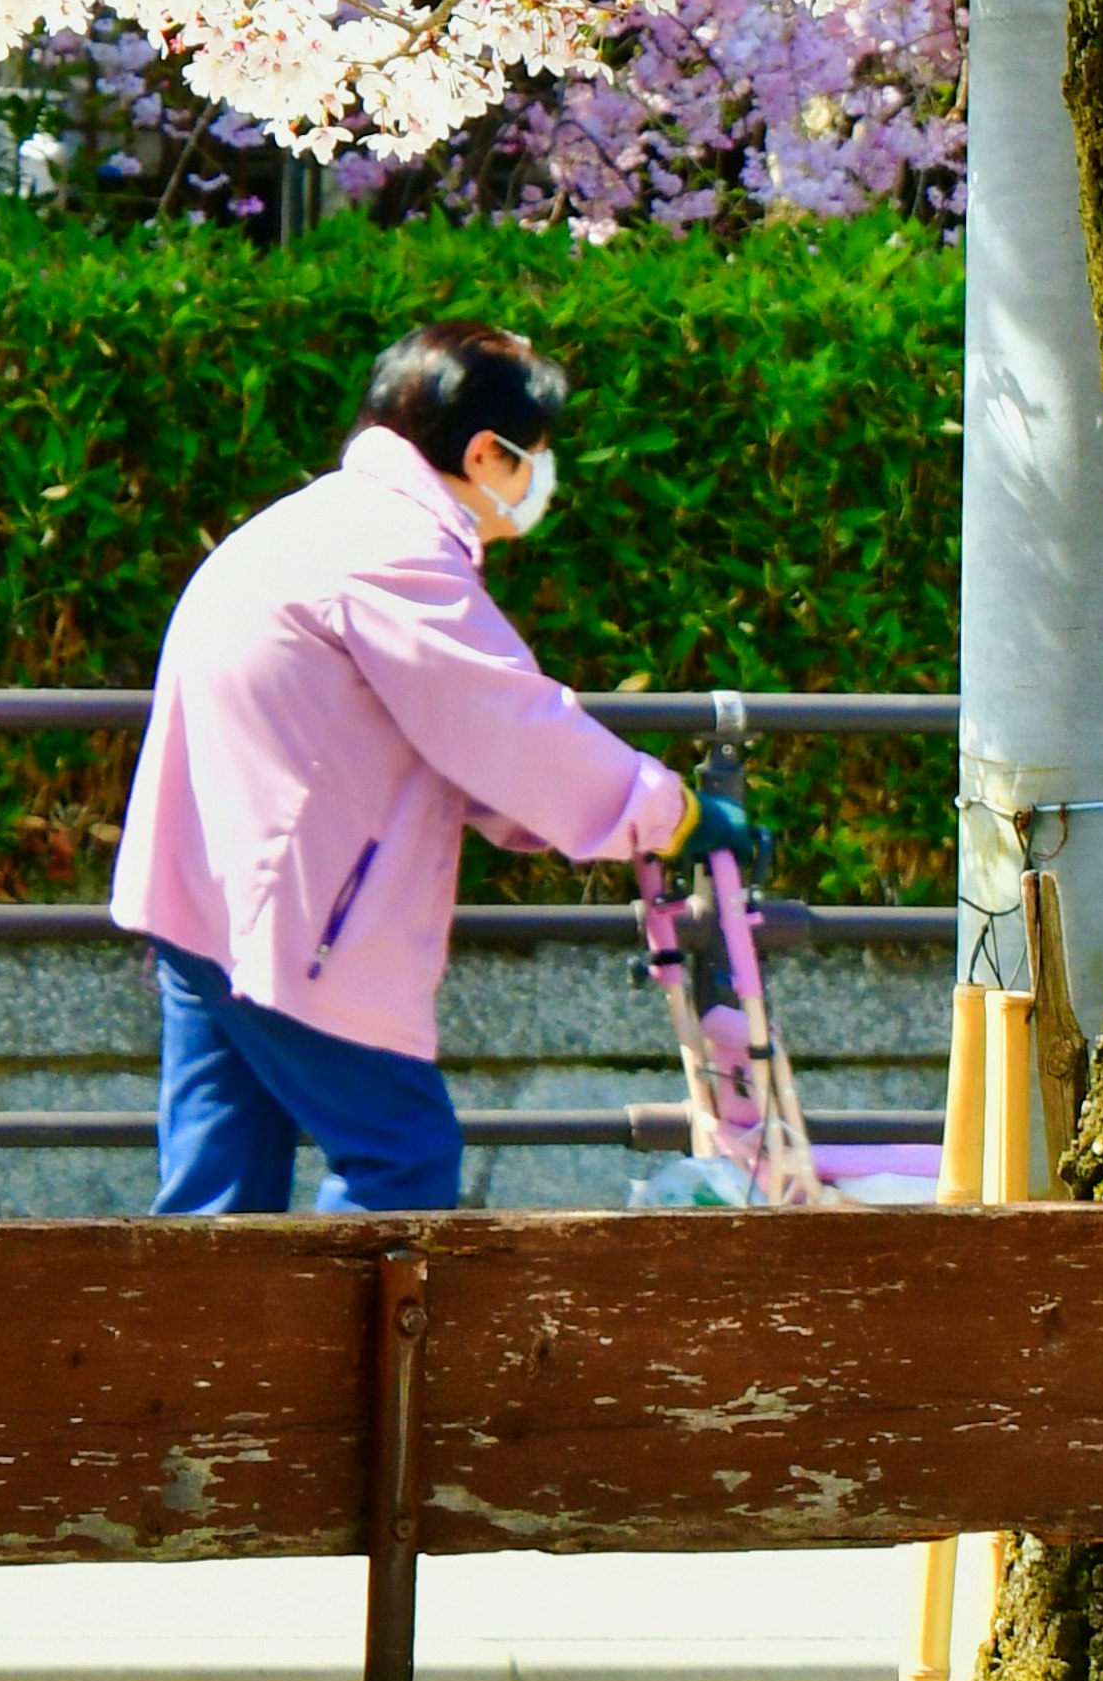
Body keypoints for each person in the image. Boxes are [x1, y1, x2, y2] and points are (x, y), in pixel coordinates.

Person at [111, 314, 731, 1216]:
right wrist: (670, 814)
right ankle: (360, 1365)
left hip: (204, 906)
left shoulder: (313, 523)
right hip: (295, 923)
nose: (540, 480)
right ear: (486, 454)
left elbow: (446, 736)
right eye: (535, 457)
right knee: (398, 1165)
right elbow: (512, 727)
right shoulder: (393, 553)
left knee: (218, 1198)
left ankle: (201, 1364)